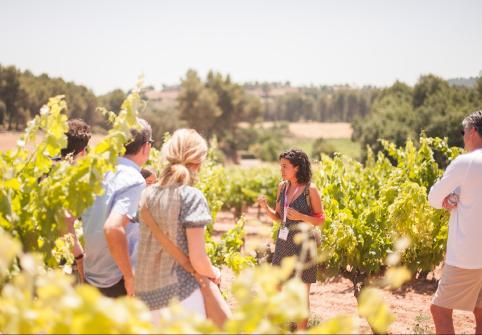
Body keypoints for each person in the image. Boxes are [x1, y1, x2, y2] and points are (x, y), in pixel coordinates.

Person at [135, 128, 221, 322]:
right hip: (182, 297)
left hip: (147, 298)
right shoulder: (190, 196)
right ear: (198, 162)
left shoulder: (146, 195)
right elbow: (198, 259)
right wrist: (215, 272)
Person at [81, 118, 152, 297]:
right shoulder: (134, 180)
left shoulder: (97, 173)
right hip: (118, 283)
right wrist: (130, 277)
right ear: (146, 147)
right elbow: (113, 228)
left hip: (93, 276)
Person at [258, 148, 325, 329]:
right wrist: (265, 207)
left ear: (297, 167)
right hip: (284, 241)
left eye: (285, 166)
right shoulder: (283, 187)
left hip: (304, 243)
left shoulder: (310, 189)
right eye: (281, 166)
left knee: (302, 293)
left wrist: (302, 217)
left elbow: (321, 219)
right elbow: (279, 217)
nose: (282, 169)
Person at [428, 110, 482, 334]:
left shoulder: (466, 163)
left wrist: (445, 200)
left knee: (439, 310)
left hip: (467, 257)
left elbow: (433, 197)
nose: (463, 137)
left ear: (473, 132)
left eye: (463, 131)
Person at [59, 119, 91, 283]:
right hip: (68, 266)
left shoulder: (44, 171)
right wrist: (80, 259)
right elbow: (65, 223)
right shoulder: (74, 181)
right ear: (83, 151)